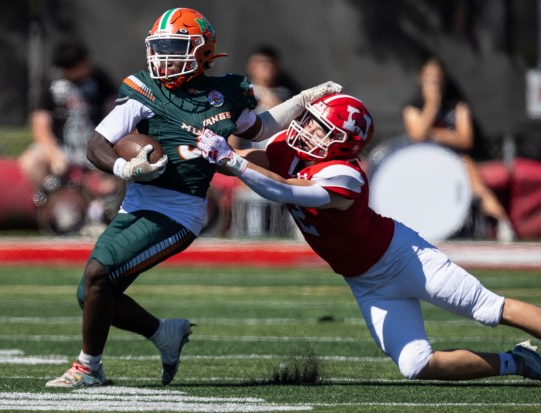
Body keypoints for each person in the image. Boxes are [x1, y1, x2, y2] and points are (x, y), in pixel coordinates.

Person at [197, 92, 541, 386]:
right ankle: (517, 362)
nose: (304, 128)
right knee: (416, 365)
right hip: (366, 283)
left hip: (402, 259)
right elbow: (253, 165)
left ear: (341, 139)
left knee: (489, 308)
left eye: (318, 125)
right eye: (308, 120)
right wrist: (209, 150)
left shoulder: (345, 174)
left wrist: (229, 159)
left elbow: (286, 190)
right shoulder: (292, 148)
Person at [45, 7, 341, 388]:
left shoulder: (228, 92)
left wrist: (301, 100)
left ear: (203, 52)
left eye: (176, 47)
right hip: (137, 203)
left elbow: (260, 127)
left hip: (179, 210)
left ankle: (88, 368)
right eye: (160, 46)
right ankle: (163, 333)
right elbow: (97, 144)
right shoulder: (143, 89)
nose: (164, 56)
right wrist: (126, 169)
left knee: (98, 275)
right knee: (91, 293)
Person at [401, 57, 515, 242]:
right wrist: (432, 105)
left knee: (474, 181)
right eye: (429, 78)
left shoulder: (457, 106)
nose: (434, 83)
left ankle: (501, 222)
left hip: (455, 158)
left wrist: (435, 134)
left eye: (437, 78)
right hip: (423, 161)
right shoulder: (413, 107)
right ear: (421, 80)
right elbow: (418, 136)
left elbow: (465, 139)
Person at [18, 39, 121, 229]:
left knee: (115, 171)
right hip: (62, 147)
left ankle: (101, 213)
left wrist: (107, 151)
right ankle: (62, 208)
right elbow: (40, 123)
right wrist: (54, 155)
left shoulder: (99, 79)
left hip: (94, 145)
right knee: (30, 161)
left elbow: (117, 113)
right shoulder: (51, 83)